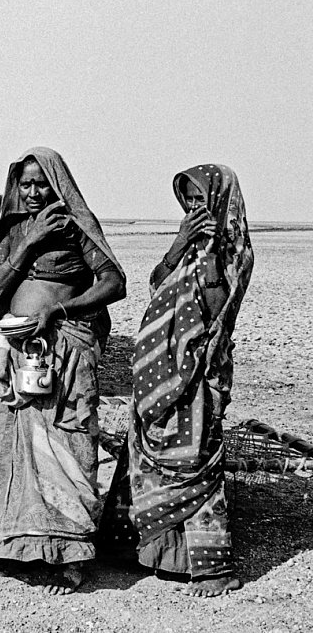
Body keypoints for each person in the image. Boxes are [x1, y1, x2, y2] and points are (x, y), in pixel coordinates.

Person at [0, 147, 126, 595]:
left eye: (43, 183)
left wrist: (60, 309)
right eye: (27, 184)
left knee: (64, 449)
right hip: (12, 352)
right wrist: (29, 243)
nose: (35, 192)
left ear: (58, 183)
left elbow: (114, 283)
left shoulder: (77, 223)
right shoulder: (16, 228)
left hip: (64, 353)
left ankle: (70, 558)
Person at [108, 164, 253, 597]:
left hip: (198, 371)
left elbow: (215, 307)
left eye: (201, 199)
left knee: (194, 460)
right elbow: (157, 284)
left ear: (221, 201)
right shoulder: (185, 245)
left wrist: (205, 251)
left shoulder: (235, 252)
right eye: (188, 201)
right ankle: (148, 552)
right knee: (145, 452)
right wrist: (180, 243)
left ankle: (212, 569)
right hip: (158, 370)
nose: (194, 208)